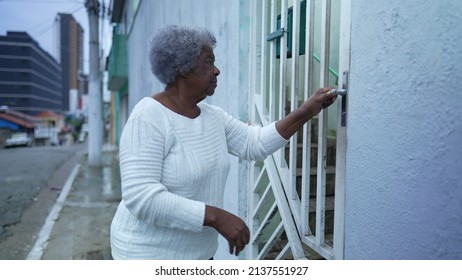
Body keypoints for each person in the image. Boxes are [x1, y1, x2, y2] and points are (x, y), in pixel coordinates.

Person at [110, 25, 337, 260]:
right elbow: (141, 197)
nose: (217, 71)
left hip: (199, 255)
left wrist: (307, 110)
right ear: (181, 67)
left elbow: (255, 143)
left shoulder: (213, 117)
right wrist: (215, 217)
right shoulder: (148, 116)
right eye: (209, 62)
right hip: (144, 256)